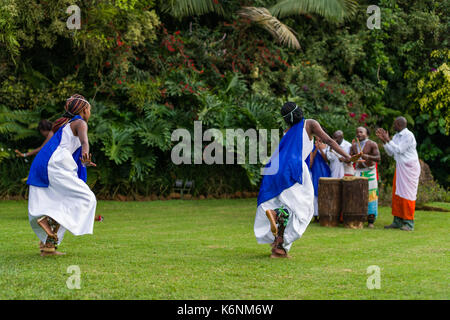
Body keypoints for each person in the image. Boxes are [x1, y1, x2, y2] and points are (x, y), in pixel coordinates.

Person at [254, 102, 351, 258]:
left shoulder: (288, 131)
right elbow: (330, 141)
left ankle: (279, 248)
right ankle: (276, 214)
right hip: (293, 168)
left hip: (276, 167)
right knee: (303, 209)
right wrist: (347, 156)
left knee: (290, 206)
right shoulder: (310, 123)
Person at [27, 94, 97, 256]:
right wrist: (86, 154)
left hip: (50, 162)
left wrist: (83, 161)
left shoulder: (67, 124)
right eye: (89, 110)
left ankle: (48, 247)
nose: (90, 113)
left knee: (64, 200)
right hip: (59, 163)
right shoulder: (80, 122)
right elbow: (85, 142)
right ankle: (47, 219)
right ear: (84, 110)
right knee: (87, 198)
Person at [376, 117, 420, 231]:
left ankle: (409, 223)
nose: (393, 126)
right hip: (401, 167)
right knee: (397, 194)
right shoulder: (396, 136)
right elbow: (391, 152)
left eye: (394, 123)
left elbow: (399, 150)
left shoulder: (408, 136)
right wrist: (384, 141)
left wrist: (388, 139)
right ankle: (397, 221)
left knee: (407, 194)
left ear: (399, 124)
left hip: (409, 168)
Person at [349, 127, 381, 228]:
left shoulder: (372, 144)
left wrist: (367, 157)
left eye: (361, 132)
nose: (358, 134)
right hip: (358, 171)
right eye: (357, 132)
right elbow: (350, 158)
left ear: (367, 134)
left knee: (371, 196)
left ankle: (371, 220)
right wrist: (353, 158)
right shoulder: (354, 145)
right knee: (357, 195)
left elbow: (378, 158)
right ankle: (359, 218)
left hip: (370, 172)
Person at [308, 137, 331, 222]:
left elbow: (327, 160)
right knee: (315, 191)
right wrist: (316, 149)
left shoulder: (327, 147)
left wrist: (321, 150)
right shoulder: (311, 147)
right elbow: (311, 161)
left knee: (325, 191)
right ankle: (316, 215)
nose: (318, 140)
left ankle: (325, 213)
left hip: (324, 170)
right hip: (315, 170)